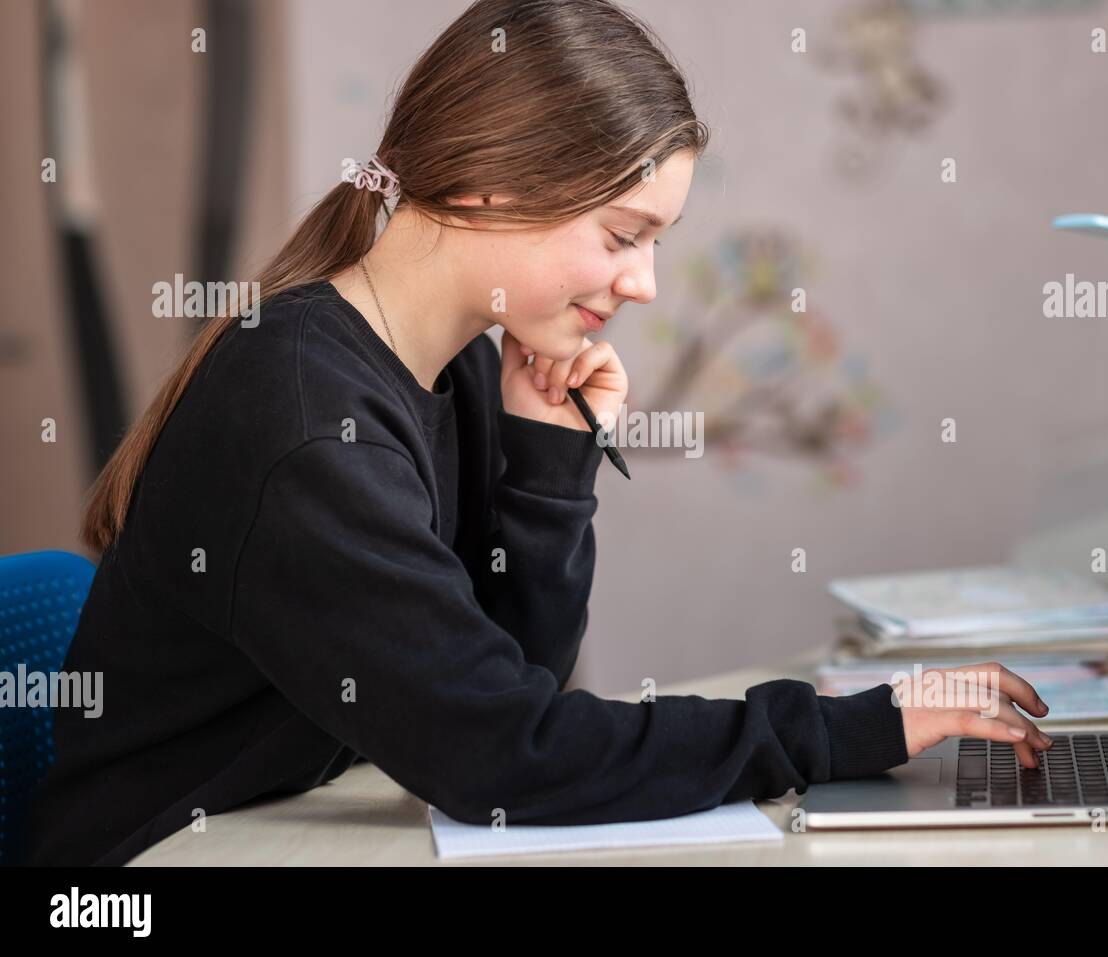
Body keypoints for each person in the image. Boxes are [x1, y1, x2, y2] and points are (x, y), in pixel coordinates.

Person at [19, 0, 1049, 866]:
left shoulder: (464, 362)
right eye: (621, 236)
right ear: (487, 186)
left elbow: (507, 684)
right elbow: (504, 755)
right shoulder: (300, 420)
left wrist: (548, 464)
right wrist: (851, 728)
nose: (641, 284)